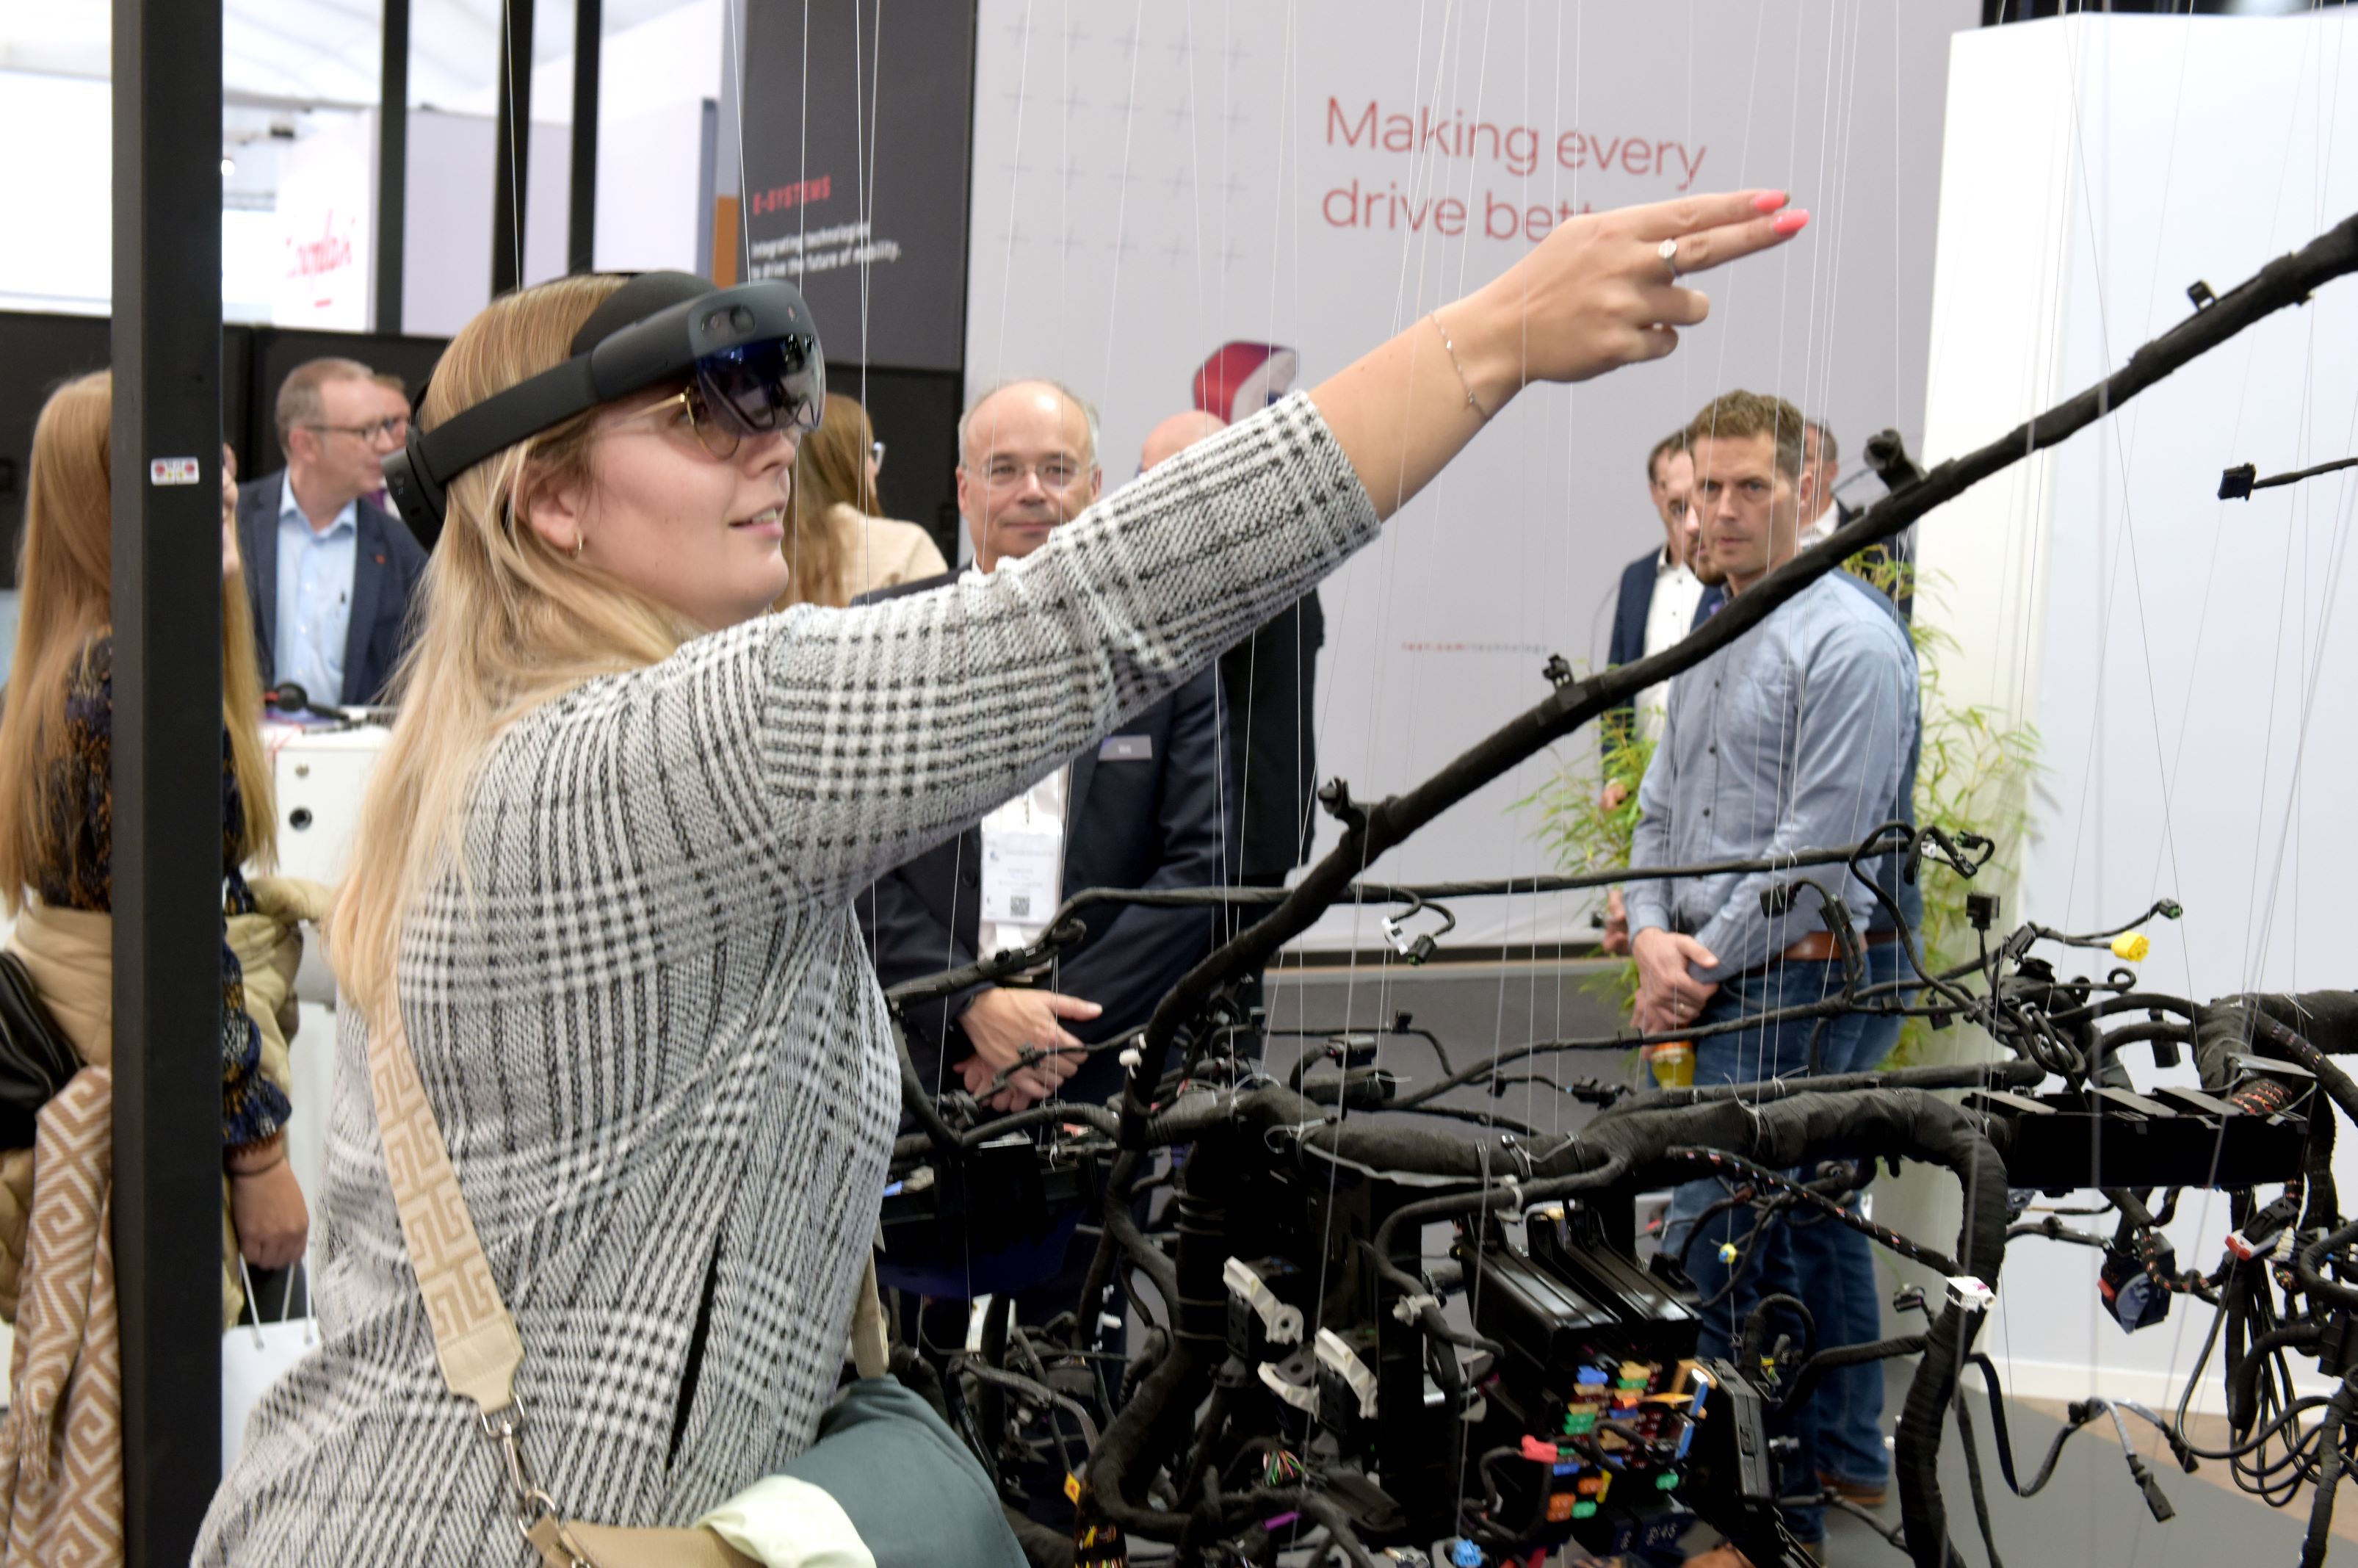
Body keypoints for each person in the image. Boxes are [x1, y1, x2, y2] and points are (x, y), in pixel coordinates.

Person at [196, 189, 1804, 1561]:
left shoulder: (519, 749)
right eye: (699, 415)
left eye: (774, 402)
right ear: (549, 500)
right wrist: (1493, 338)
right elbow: (1089, 612)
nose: (772, 443)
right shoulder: (656, 752)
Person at [0, 375, 314, 1550]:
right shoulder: (133, 686)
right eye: (193, 474)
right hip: (147, 1066)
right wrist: (261, 1153)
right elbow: (182, 949)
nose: (221, 490)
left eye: (222, 475)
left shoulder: (73, 665)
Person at [1622, 390, 1915, 1563]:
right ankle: (1840, 1453)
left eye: (1750, 486)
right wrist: (1651, 934)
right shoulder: (1714, 619)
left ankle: (1762, 1523)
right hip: (1721, 970)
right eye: (1705, 488)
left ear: (1807, 488)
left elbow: (1813, 857)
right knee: (1805, 1218)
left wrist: (1688, 967)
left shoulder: (1847, 641)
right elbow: (1658, 802)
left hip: (1803, 979)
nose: (1721, 509)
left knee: (1722, 1246)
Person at [1142, 409, 1324, 896]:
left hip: (1223, 830)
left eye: (1150, 478)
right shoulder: (1283, 549)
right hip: (1249, 824)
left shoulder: (1224, 565)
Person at [234, 357, 429, 709]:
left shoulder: (403, 549)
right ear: (305, 444)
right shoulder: (232, 524)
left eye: (385, 427)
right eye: (366, 431)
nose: (386, 444)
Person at [773, 392, 948, 608]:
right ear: (846, 460)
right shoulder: (907, 549)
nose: (875, 468)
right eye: (868, 453)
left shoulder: (766, 551)